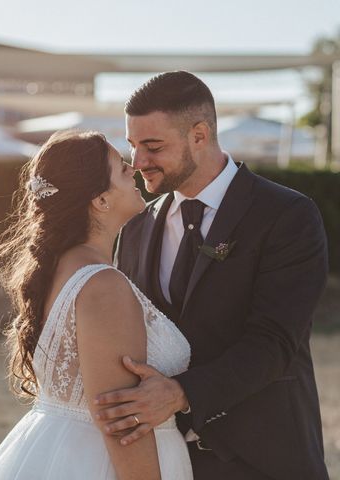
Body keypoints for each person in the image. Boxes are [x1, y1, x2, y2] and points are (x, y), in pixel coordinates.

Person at [95, 71, 329, 480]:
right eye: (133, 146)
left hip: (264, 457)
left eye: (153, 146)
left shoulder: (287, 215)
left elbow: (275, 342)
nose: (138, 163)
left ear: (199, 135)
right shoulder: (134, 227)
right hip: (165, 459)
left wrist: (181, 394)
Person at [0, 130, 193, 479]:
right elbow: (121, 422)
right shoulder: (103, 285)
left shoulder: (63, 267)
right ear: (100, 200)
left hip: (62, 451)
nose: (135, 169)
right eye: (122, 169)